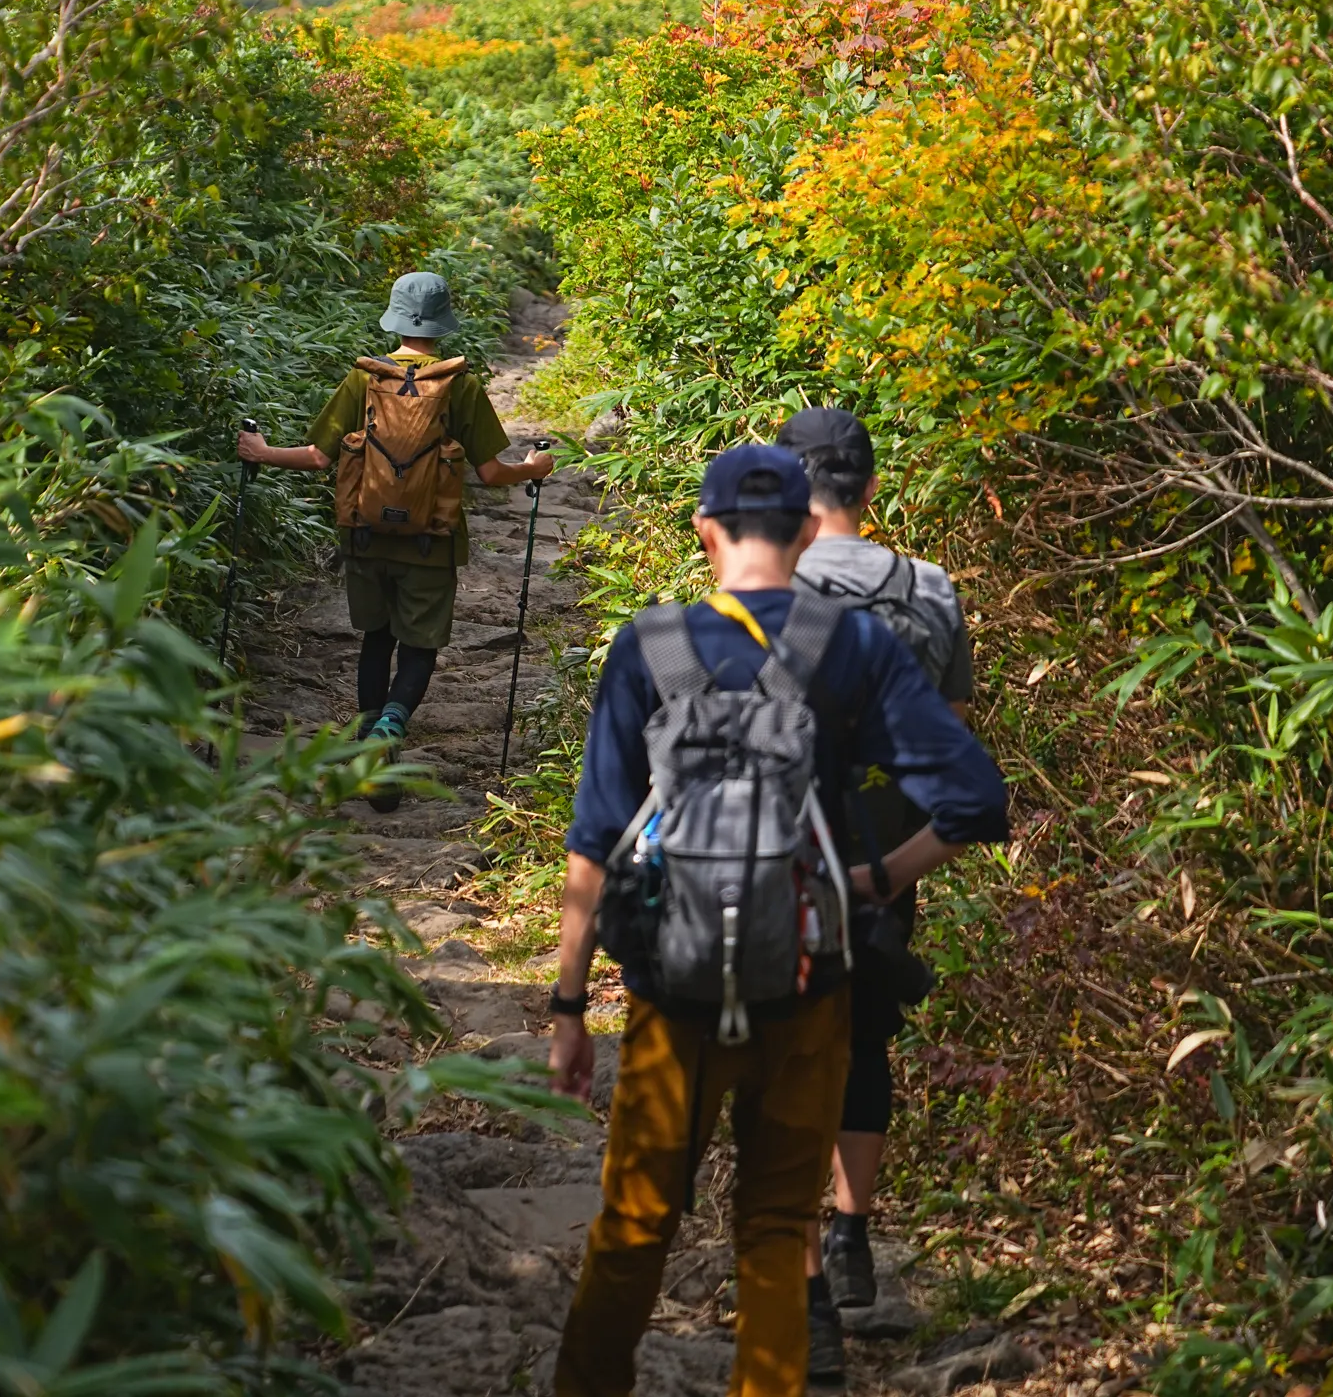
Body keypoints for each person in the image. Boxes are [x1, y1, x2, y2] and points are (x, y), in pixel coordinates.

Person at [547, 443, 1008, 1397]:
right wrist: (875, 879)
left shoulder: (652, 645)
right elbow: (973, 799)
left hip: (671, 992)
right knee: (769, 1228)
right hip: (808, 988)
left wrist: (565, 1002)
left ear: (704, 531)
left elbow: (595, 838)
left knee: (634, 1223)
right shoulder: (852, 646)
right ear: (806, 532)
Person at [778, 407, 976, 1389]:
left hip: (791, 855)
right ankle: (853, 1239)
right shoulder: (930, 588)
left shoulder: (771, 585)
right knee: (866, 1035)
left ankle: (810, 1303)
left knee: (789, 1059)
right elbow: (951, 734)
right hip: (892, 850)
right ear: (869, 485)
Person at [234, 269, 553, 802]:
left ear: (395, 317)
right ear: (443, 322)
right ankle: (388, 731)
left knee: (376, 640)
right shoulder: (461, 384)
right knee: (420, 645)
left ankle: (366, 736)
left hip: (365, 536)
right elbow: (493, 474)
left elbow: (317, 457)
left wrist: (262, 453)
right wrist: (535, 467)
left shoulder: (364, 379)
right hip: (432, 541)